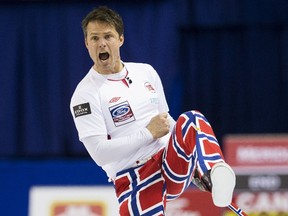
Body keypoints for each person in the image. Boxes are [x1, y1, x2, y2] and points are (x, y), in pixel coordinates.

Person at [70, 6, 236, 215]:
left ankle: (213, 173)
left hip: (168, 163)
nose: (101, 43)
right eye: (94, 38)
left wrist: (193, 166)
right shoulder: (84, 95)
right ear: (87, 43)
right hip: (134, 179)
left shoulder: (146, 72)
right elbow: (100, 154)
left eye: (108, 36)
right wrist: (148, 133)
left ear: (120, 39)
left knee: (192, 119)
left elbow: (168, 123)